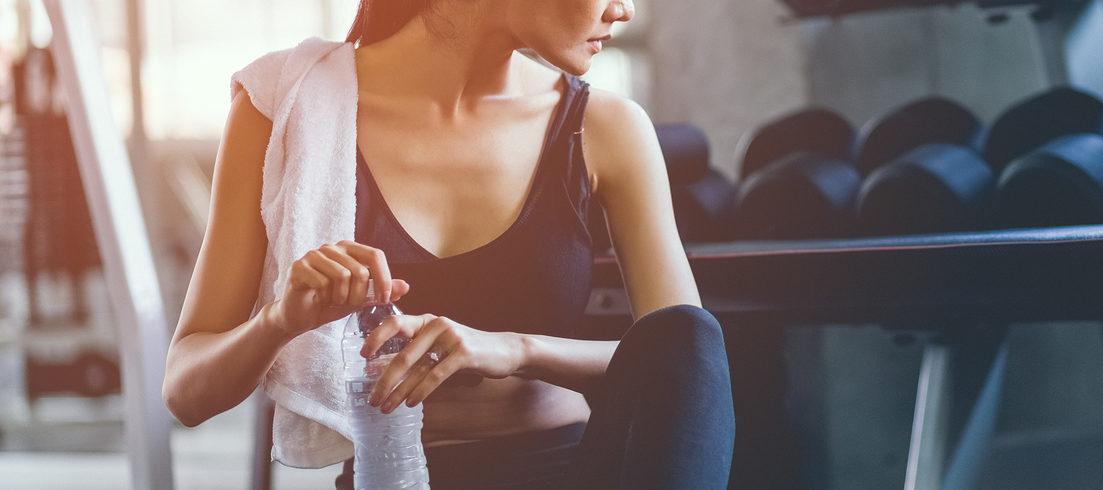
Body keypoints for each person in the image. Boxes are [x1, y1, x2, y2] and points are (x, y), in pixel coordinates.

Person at [159, 0, 735, 487]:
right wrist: (279, 321)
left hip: (568, 466)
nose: (625, 9)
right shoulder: (281, 111)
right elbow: (186, 393)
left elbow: (684, 362)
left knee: (695, 331)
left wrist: (515, 350)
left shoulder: (610, 128)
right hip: (389, 474)